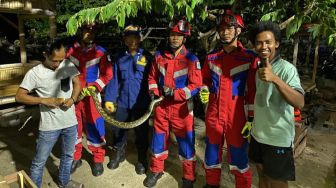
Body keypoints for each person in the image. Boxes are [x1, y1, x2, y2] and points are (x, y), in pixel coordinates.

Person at [199, 10, 258, 188]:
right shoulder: (211, 58)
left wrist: (252, 118)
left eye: (229, 28)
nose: (225, 32)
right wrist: (203, 89)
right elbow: (204, 81)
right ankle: (211, 184)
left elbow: (254, 91)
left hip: (238, 115)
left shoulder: (250, 58)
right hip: (214, 112)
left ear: (238, 30)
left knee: (239, 156)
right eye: (222, 28)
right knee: (211, 152)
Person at [15, 38, 83, 188]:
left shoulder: (67, 65)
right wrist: (45, 100)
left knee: (68, 156)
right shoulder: (35, 73)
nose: (58, 65)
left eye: (61, 60)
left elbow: (77, 83)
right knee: (40, 161)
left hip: (70, 122)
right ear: (45, 54)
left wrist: (73, 99)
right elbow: (19, 96)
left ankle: (64, 182)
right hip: (49, 126)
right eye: (54, 61)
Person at [143, 18, 203, 188]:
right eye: (172, 35)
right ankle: (156, 170)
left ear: (185, 38)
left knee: (185, 144)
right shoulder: (159, 56)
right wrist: (154, 92)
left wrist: (176, 93)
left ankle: (188, 177)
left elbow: (196, 86)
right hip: (161, 107)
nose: (174, 38)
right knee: (158, 141)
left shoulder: (192, 59)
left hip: (182, 109)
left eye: (178, 35)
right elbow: (152, 78)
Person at [247, 21, 304, 188]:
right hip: (258, 135)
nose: (263, 46)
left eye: (268, 42)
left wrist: (275, 79)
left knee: (276, 182)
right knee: (262, 178)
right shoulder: (259, 68)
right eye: (259, 42)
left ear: (276, 44)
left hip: (278, 139)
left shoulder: (287, 69)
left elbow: (299, 102)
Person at [104, 25, 151, 174]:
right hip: (123, 102)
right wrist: (109, 99)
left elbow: (153, 79)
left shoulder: (147, 57)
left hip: (141, 102)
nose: (132, 41)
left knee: (142, 132)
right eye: (129, 38)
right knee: (118, 129)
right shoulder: (119, 58)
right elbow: (114, 79)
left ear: (139, 38)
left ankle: (142, 157)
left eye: (135, 37)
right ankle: (119, 152)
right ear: (124, 40)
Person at [67, 23, 113, 176]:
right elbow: (64, 72)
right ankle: (76, 157)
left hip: (92, 97)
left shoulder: (101, 52)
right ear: (81, 31)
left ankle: (98, 159)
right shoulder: (71, 50)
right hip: (74, 96)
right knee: (74, 127)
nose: (90, 34)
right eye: (87, 31)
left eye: (93, 32)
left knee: (95, 127)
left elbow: (107, 74)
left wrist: (95, 86)